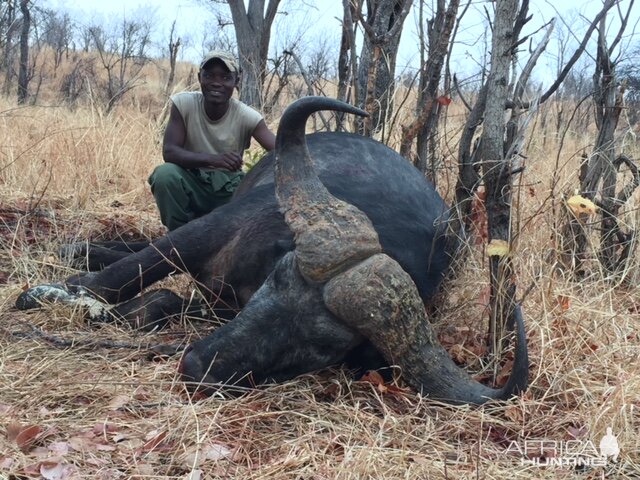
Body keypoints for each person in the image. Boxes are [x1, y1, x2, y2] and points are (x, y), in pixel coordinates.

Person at [149, 50, 276, 231]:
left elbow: (281, 150)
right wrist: (214, 160)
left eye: (225, 77)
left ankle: (233, 235)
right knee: (165, 175)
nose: (216, 83)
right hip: (191, 181)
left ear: (237, 81)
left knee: (256, 194)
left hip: (229, 188)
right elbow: (169, 152)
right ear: (200, 77)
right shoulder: (183, 104)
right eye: (209, 76)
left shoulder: (248, 116)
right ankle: (177, 237)